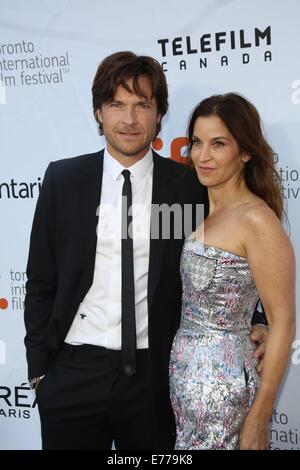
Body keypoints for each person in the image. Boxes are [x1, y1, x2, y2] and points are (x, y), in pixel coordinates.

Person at [24, 52, 268, 450]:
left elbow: (223, 263)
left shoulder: (188, 188)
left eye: (142, 105)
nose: (129, 119)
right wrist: (41, 374)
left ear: (159, 115)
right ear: (98, 112)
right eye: (117, 104)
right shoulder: (63, 180)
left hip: (154, 381)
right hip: (72, 374)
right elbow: (40, 280)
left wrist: (256, 319)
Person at [169, 92, 295, 450]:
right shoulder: (202, 210)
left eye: (218, 144)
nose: (202, 155)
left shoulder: (257, 220)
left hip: (224, 389)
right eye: (196, 142)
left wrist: (259, 416)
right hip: (186, 382)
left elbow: (283, 320)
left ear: (245, 152)